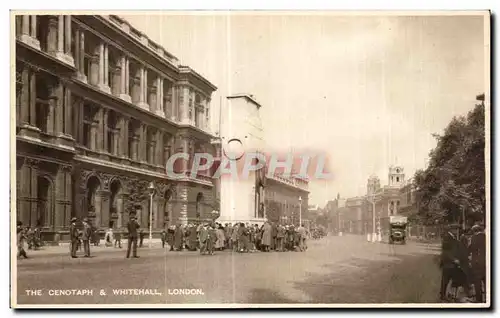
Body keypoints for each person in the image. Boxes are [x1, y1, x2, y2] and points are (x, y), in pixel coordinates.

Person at [469, 224, 486, 302]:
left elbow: (471, 248)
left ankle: (479, 300)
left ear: (474, 231)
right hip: (486, 262)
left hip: (477, 264)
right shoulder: (486, 237)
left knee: (477, 283)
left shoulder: (474, 238)